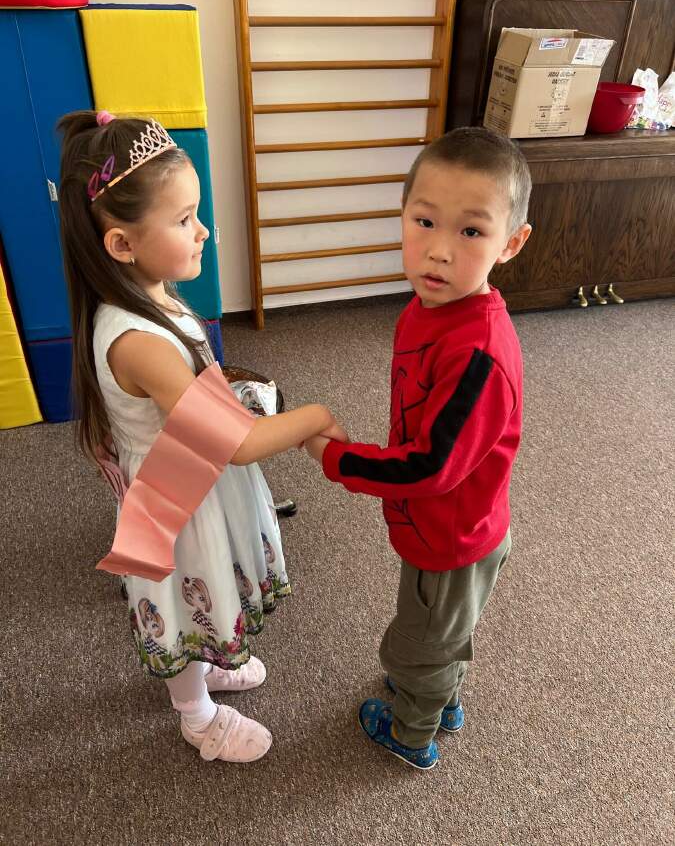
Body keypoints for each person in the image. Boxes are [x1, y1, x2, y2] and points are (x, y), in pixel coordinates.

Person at [58, 110, 347, 764]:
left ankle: (210, 664)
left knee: (207, 598)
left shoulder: (151, 292)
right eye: (185, 218)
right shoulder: (136, 339)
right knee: (186, 609)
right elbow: (235, 445)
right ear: (122, 244)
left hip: (192, 476)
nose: (204, 230)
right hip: (176, 502)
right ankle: (196, 715)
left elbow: (196, 396)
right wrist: (315, 416)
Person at [305, 127, 532, 770]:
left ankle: (413, 733)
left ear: (511, 243)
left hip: (453, 537)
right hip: (435, 524)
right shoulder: (429, 307)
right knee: (440, 630)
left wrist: (335, 458)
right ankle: (440, 692)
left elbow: (431, 465)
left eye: (471, 231)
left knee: (421, 643)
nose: (438, 251)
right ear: (402, 214)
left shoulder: (478, 354)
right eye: (424, 221)